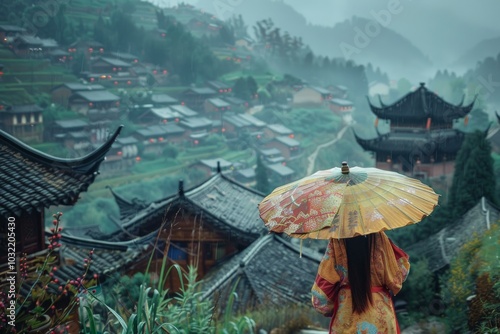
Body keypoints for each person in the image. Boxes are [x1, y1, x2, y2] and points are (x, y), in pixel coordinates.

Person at [311, 231, 410, 334]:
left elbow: (321, 297)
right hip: (381, 316)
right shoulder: (380, 237)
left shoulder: (337, 240)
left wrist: (332, 307)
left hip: (347, 316)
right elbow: (401, 271)